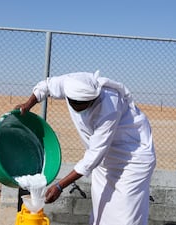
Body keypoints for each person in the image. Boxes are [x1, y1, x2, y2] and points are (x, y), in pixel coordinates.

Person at [15, 71, 156, 225]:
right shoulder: (70, 84)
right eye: (74, 103)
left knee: (126, 214)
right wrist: (28, 104)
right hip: (106, 159)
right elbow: (46, 86)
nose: (79, 108)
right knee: (102, 211)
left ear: (95, 98)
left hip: (132, 158)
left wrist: (60, 186)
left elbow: (93, 156)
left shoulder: (109, 107)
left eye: (85, 104)